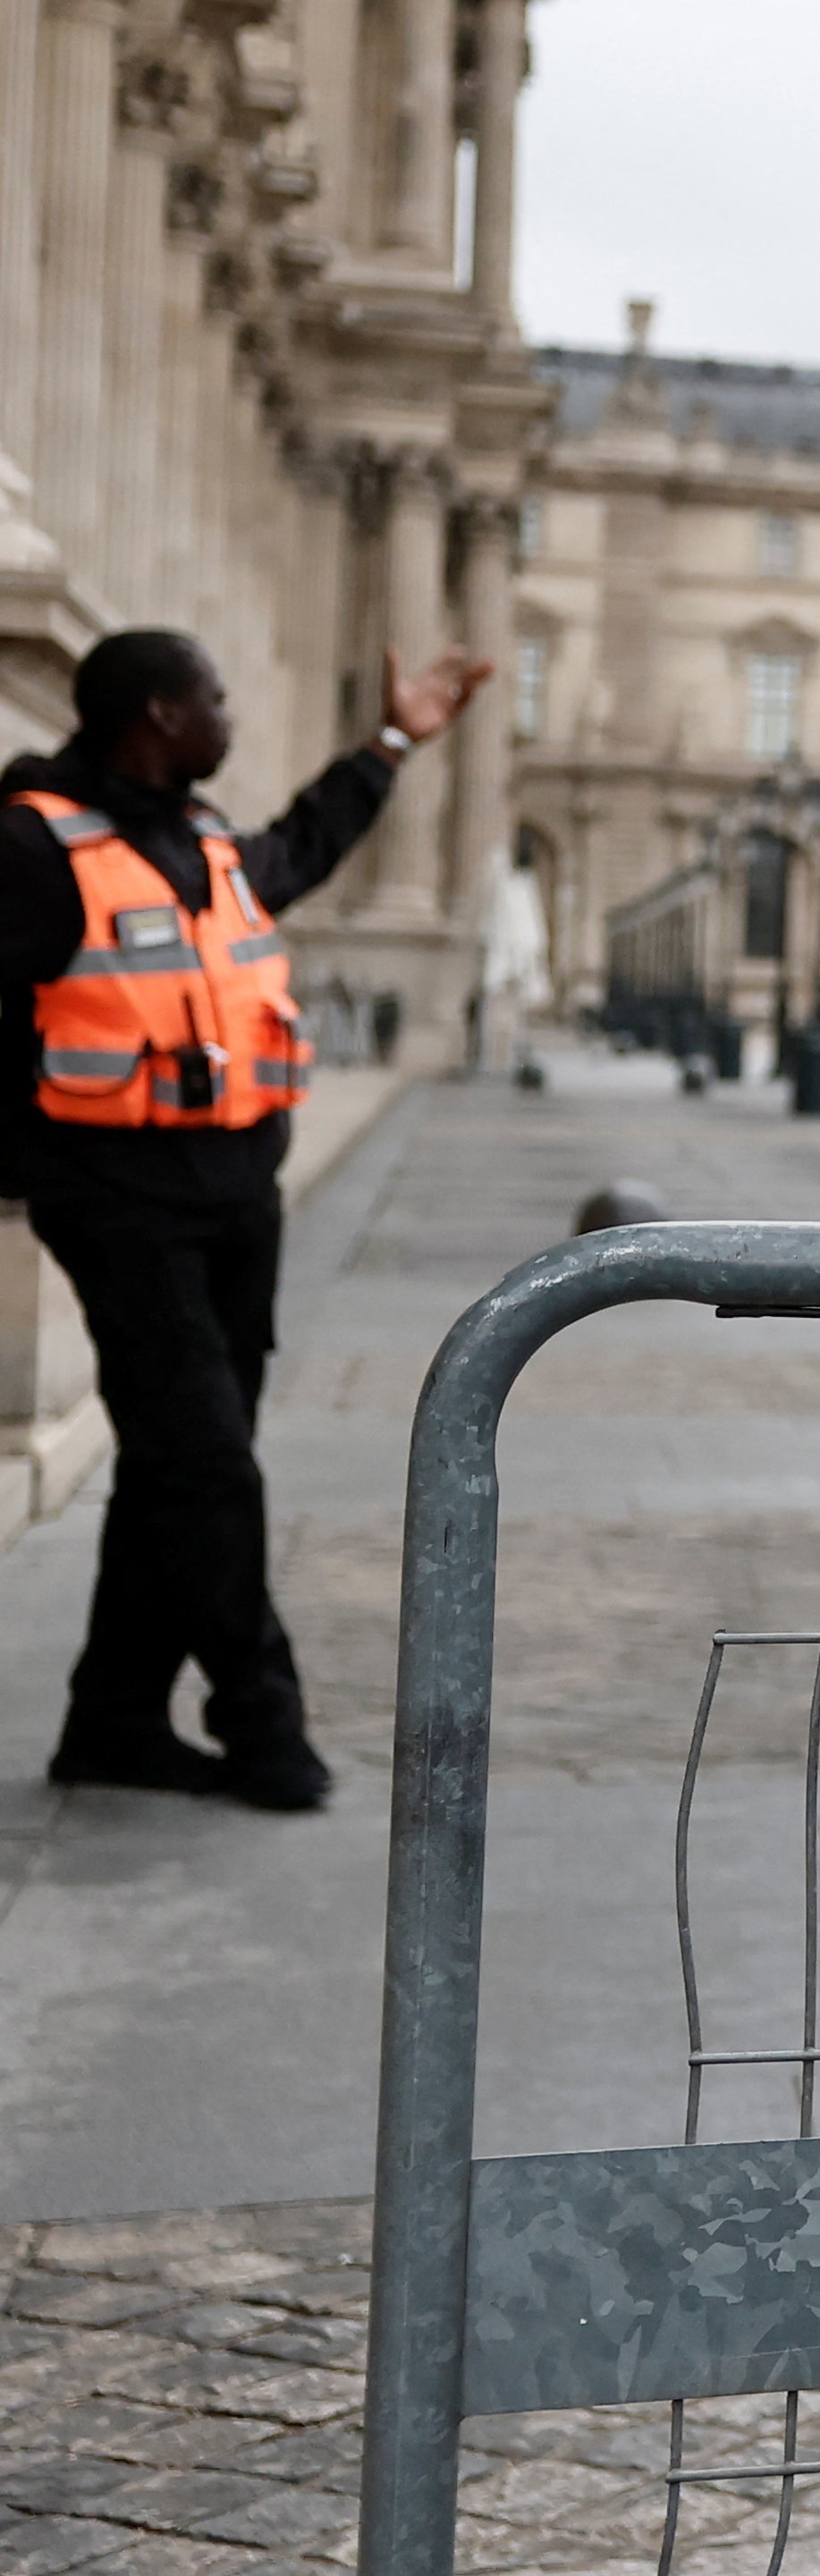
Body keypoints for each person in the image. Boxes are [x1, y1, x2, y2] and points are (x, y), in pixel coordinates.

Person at [10, 625, 486, 1811]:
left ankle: (112, 1719)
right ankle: (261, 1720)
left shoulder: (207, 840)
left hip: (236, 1205)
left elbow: (305, 844)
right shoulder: (29, 842)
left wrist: (390, 743)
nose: (228, 715)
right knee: (208, 1464)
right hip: (121, 1205)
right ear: (162, 717)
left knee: (182, 1469)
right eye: (213, 698)